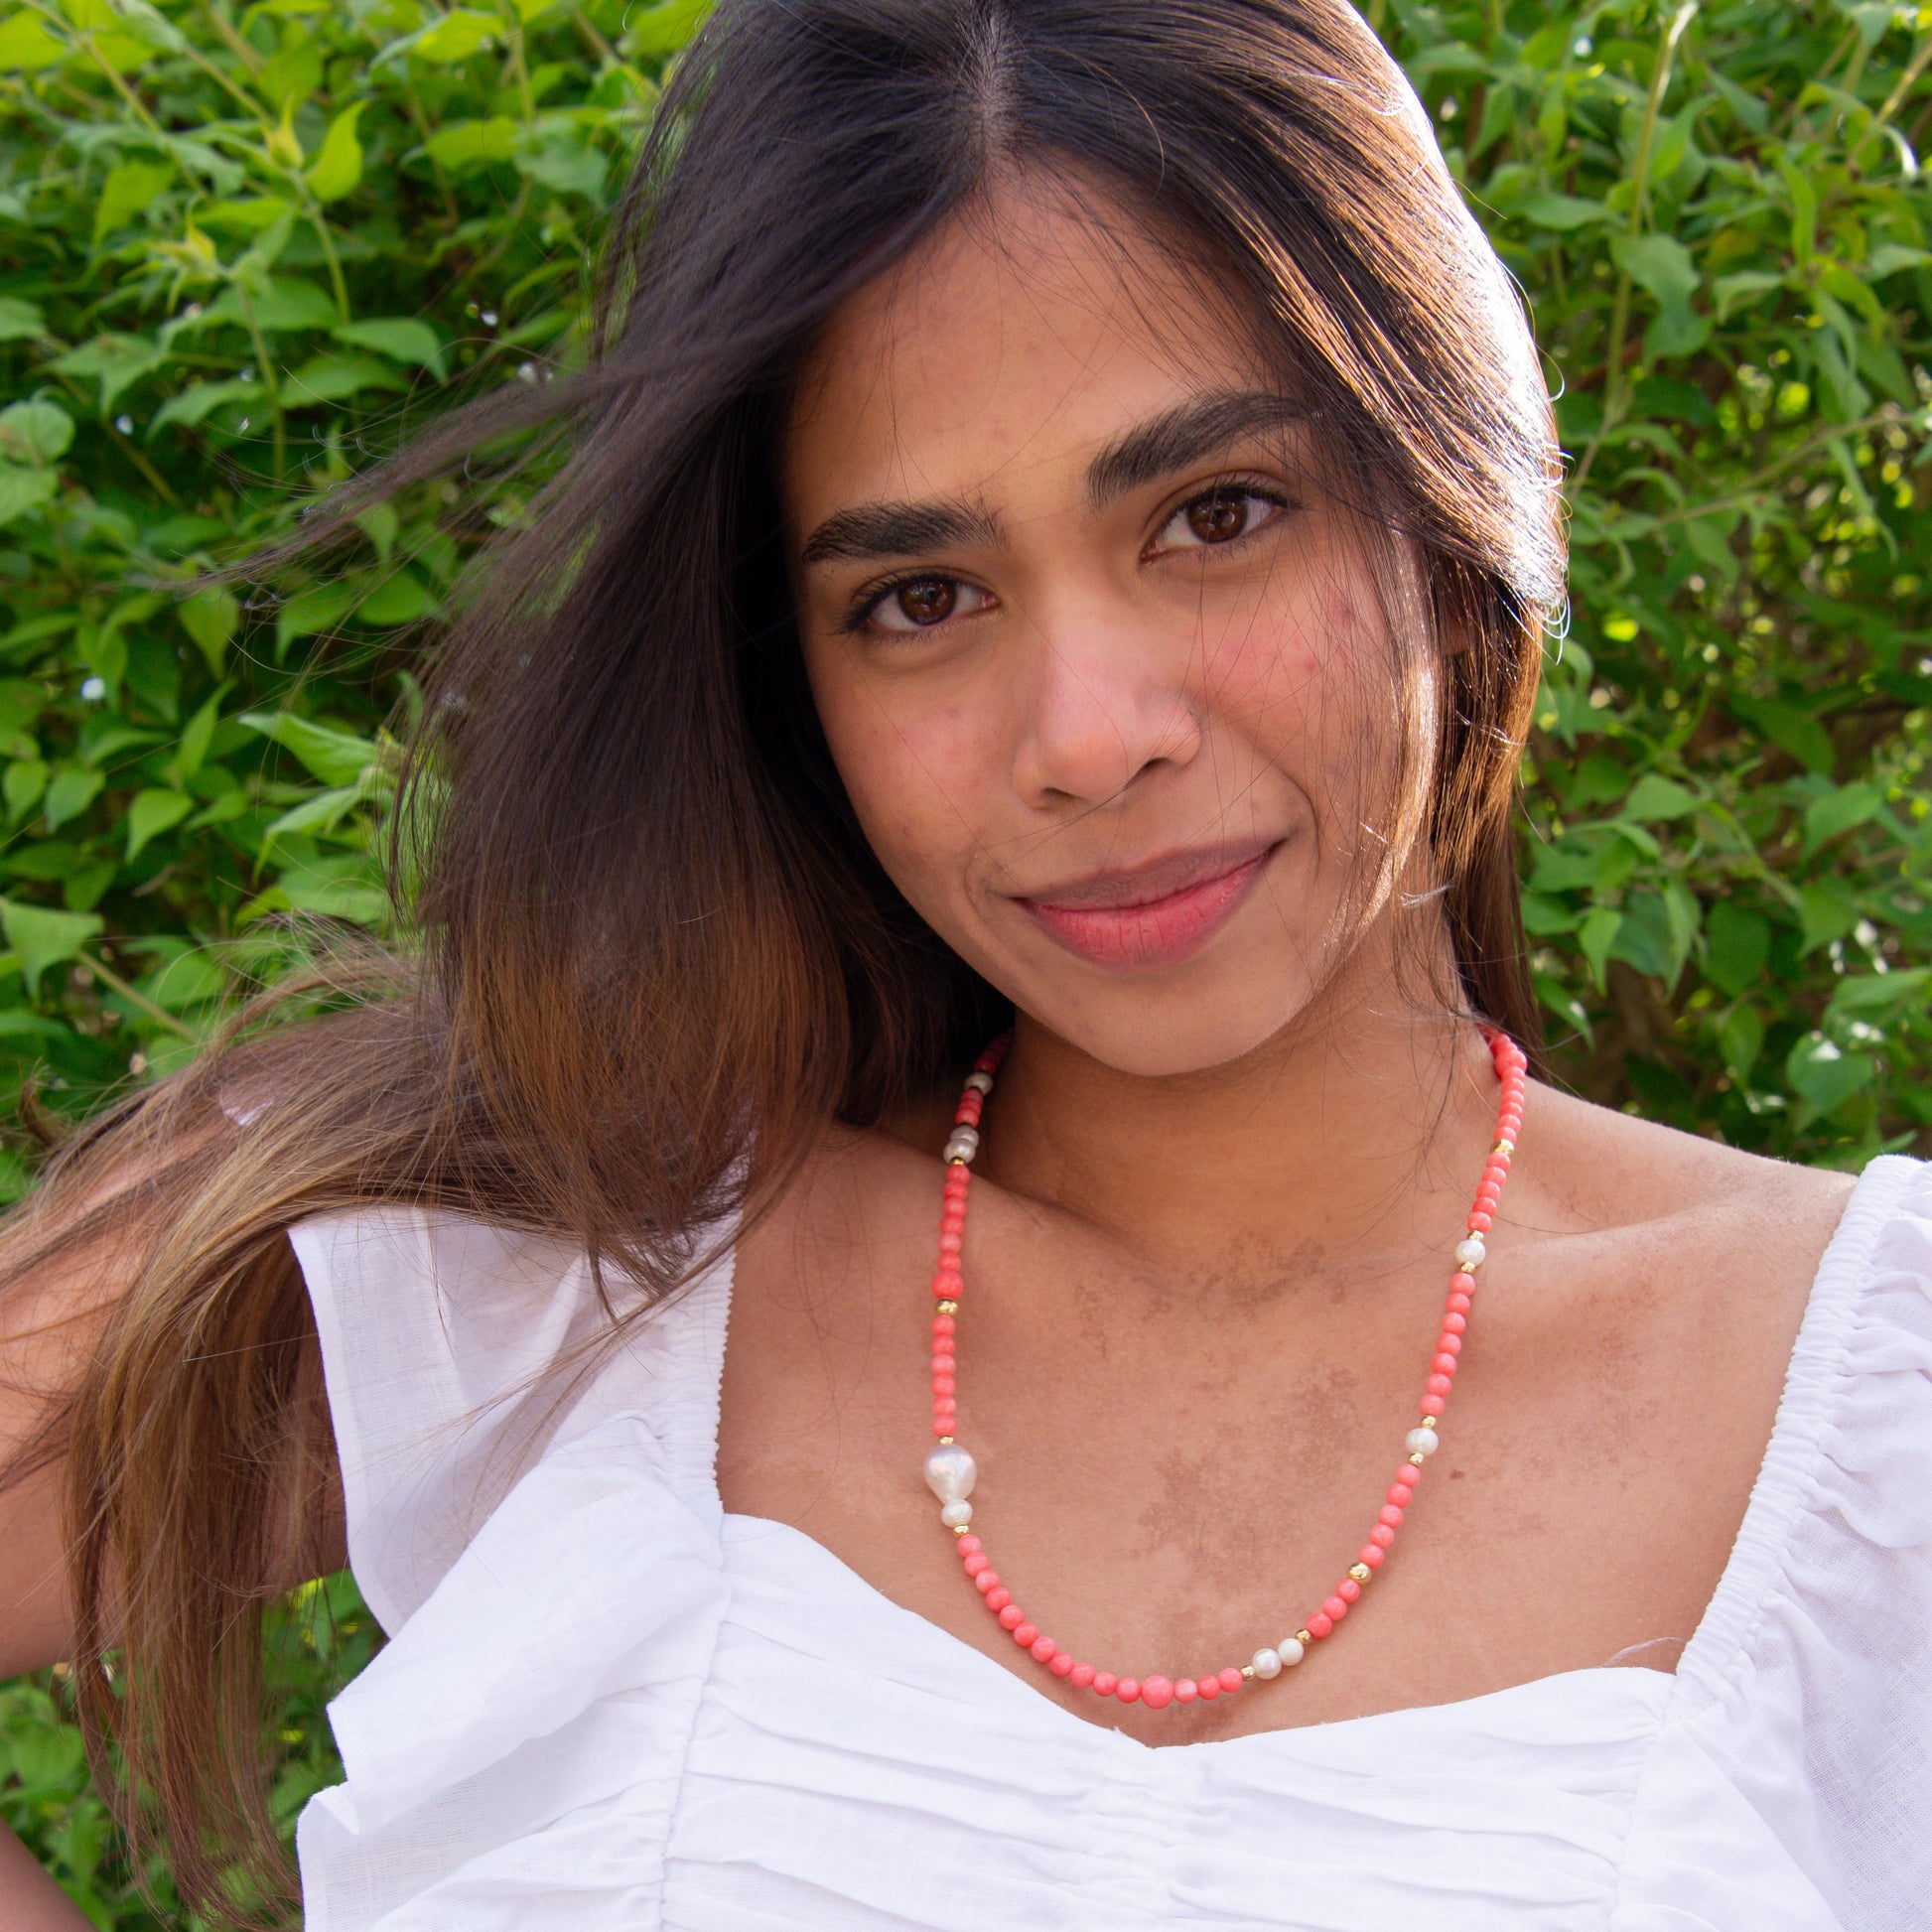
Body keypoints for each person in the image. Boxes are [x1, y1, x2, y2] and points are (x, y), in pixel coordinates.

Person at [2, 0, 1925, 1925]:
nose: (1087, 732)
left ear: (1451, 501)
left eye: (1215, 514)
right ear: (792, 672)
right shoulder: (551, 1247)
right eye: (920, 598)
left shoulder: (1871, 1413)